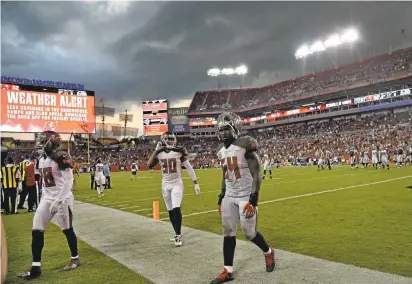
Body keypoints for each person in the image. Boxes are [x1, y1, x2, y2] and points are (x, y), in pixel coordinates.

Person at [210, 112, 275, 284]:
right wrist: (221, 196)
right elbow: (226, 174)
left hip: (246, 195)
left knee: (249, 233)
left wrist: (253, 199)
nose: (223, 133)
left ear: (234, 129)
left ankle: (268, 252)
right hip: (229, 195)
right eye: (221, 130)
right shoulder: (220, 150)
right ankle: (227, 270)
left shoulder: (246, 144)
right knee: (228, 232)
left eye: (226, 129)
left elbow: (257, 174)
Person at [17, 130, 80, 280]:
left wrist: (58, 200)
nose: (39, 144)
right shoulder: (41, 159)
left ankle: (75, 258)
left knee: (67, 229)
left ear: (51, 142)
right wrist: (44, 198)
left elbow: (68, 181)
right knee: (37, 229)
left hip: (62, 198)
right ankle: (36, 267)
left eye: (41, 141)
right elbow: (45, 183)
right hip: (48, 198)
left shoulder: (61, 156)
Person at [147, 132, 200, 247]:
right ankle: (176, 232)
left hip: (177, 183)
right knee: (170, 211)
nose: (171, 141)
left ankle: (178, 234)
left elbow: (189, 168)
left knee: (176, 208)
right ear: (163, 140)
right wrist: (156, 150)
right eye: (168, 139)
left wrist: (195, 182)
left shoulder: (179, 152)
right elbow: (149, 164)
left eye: (172, 139)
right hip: (165, 185)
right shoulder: (160, 153)